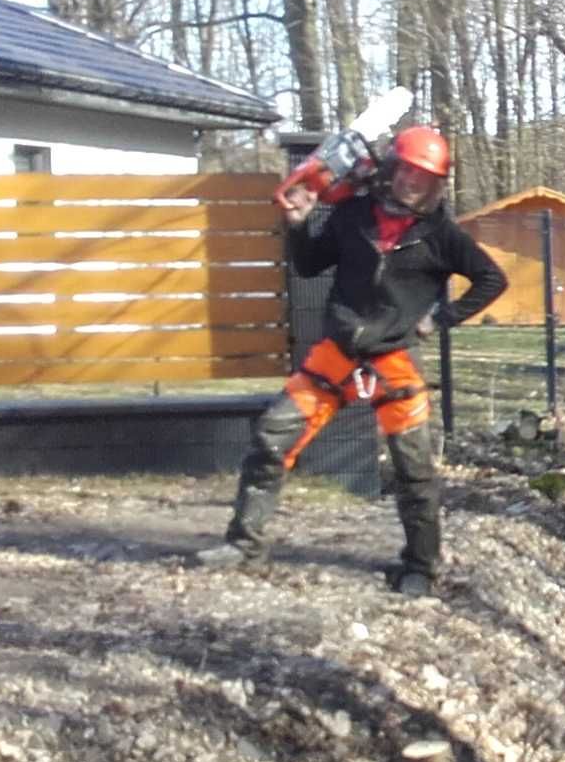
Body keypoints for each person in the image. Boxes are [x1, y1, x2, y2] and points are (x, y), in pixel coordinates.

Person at [194, 124, 508, 596]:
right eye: (406, 171)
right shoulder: (352, 214)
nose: (411, 182)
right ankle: (244, 545)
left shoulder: (442, 235)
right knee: (271, 438)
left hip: (395, 359)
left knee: (414, 469)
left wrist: (439, 319)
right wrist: (299, 224)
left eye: (423, 177)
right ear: (390, 169)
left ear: (437, 184)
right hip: (336, 352)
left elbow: (492, 280)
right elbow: (308, 265)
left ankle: (421, 566)